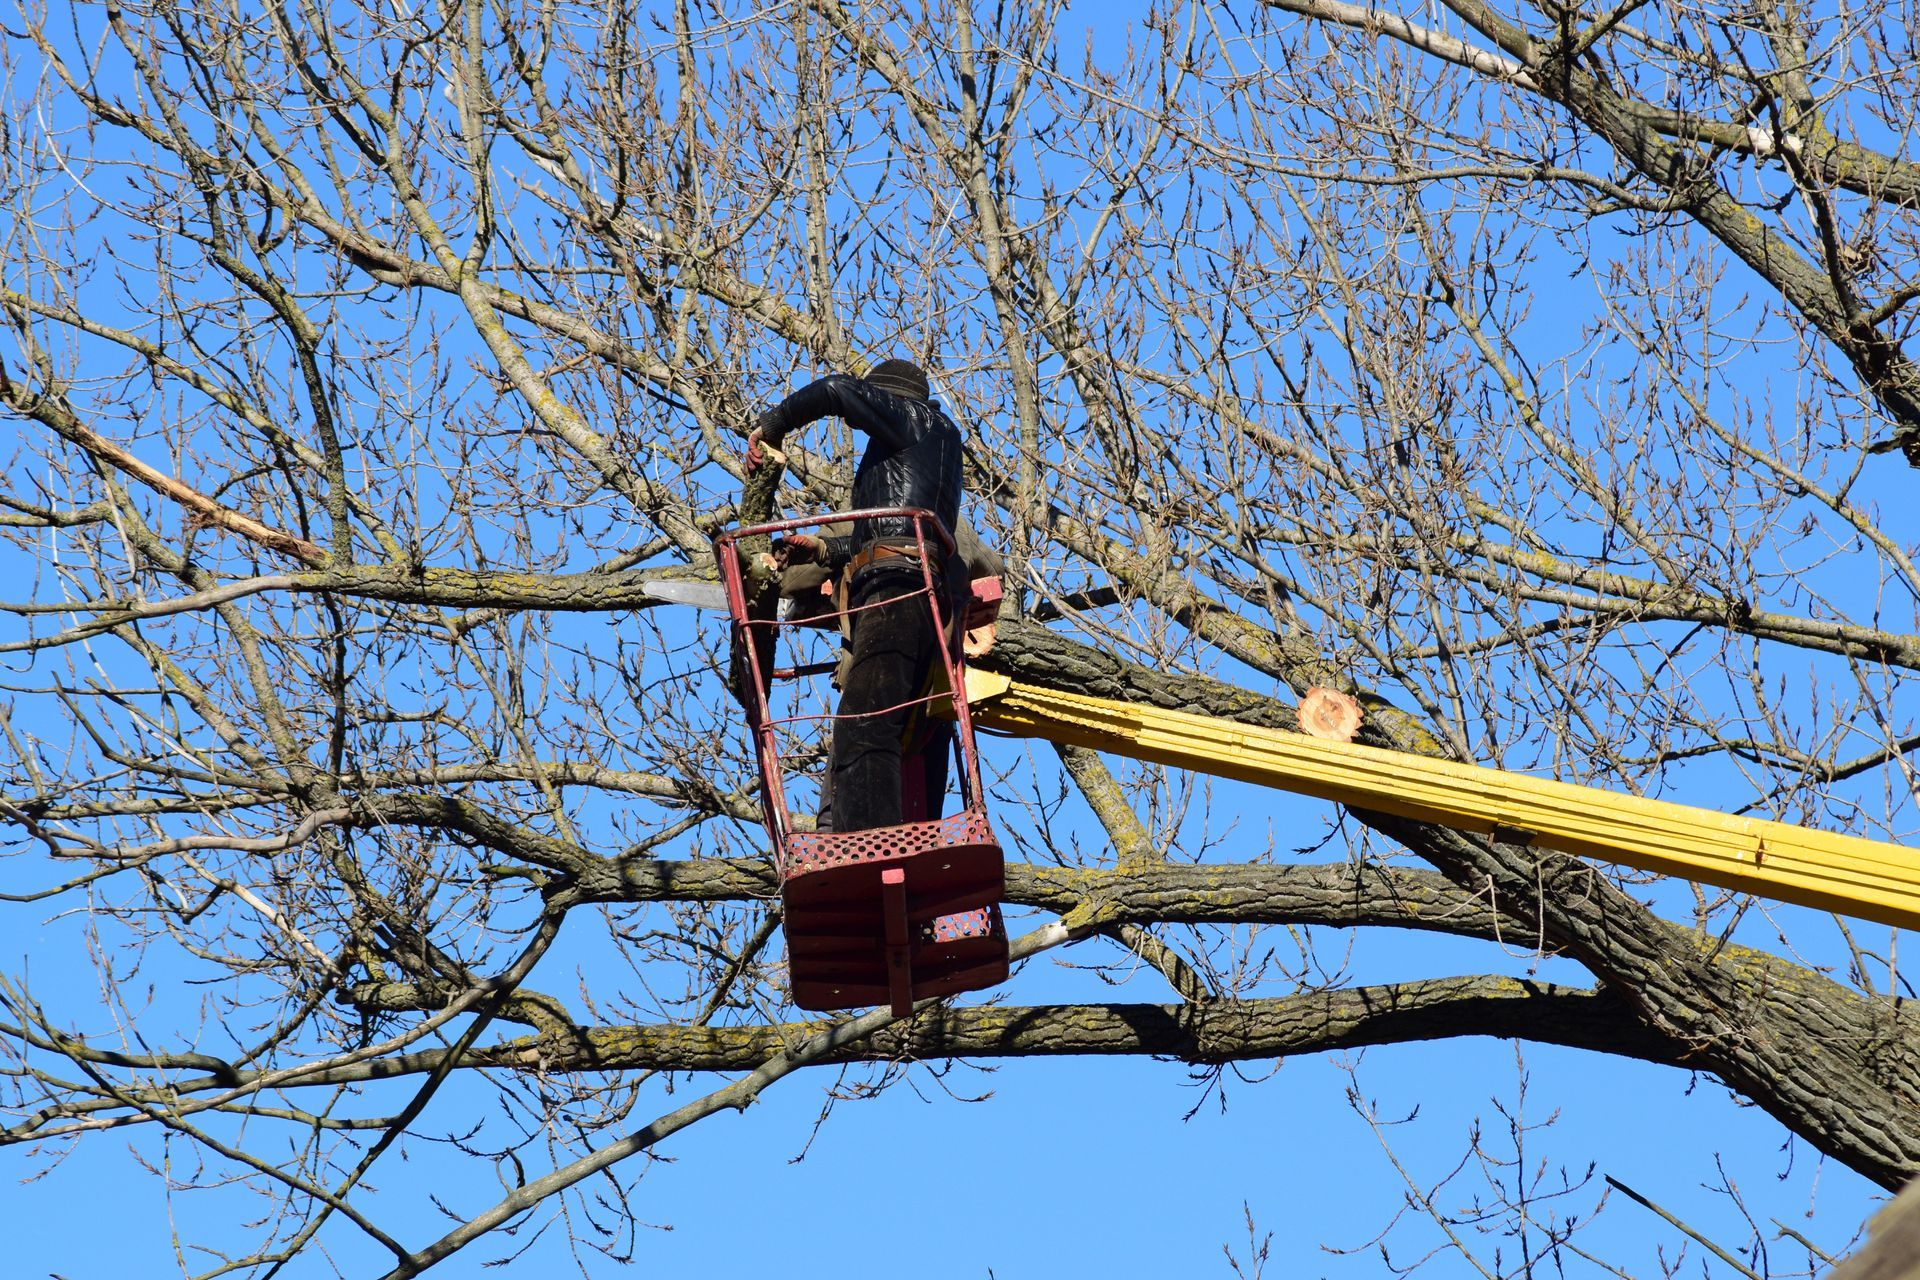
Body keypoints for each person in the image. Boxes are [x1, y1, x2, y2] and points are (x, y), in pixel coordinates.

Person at [745, 359, 964, 833]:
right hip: (911, 584)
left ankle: (868, 843)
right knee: (873, 720)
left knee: (865, 721)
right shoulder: (924, 451)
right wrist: (824, 548)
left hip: (896, 587)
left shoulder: (915, 421)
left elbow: (837, 390)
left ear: (890, 400)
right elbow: (890, 530)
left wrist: (773, 426)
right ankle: (864, 839)